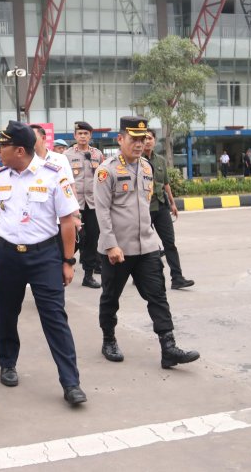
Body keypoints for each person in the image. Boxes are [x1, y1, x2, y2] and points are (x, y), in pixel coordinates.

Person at [0, 121, 86, 406]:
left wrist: (68, 260)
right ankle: (7, 363)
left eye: (2, 146)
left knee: (55, 318)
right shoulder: (1, 176)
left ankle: (71, 382)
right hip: (7, 254)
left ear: (19, 150)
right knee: (7, 313)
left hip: (44, 256)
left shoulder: (53, 175)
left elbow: (67, 221)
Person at [94, 117, 200, 369]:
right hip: (118, 250)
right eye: (134, 139)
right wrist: (110, 245)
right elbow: (102, 211)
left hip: (147, 247)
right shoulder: (106, 170)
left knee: (158, 296)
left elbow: (147, 203)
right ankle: (108, 339)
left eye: (143, 139)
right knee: (111, 297)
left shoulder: (147, 167)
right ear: (120, 139)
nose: (140, 144)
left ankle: (168, 347)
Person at [144, 130, 195, 290]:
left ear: (154, 141)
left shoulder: (160, 160)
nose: (147, 141)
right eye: (144, 138)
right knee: (144, 245)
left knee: (170, 243)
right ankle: (139, 275)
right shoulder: (136, 161)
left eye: (150, 138)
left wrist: (173, 204)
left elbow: (166, 184)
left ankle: (177, 278)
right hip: (144, 209)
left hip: (161, 206)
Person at [65, 121, 104, 288]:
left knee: (92, 238)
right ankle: (63, 265)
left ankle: (88, 275)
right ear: (75, 136)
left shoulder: (97, 155)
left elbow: (103, 177)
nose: (82, 136)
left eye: (85, 134)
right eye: (79, 133)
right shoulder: (66, 155)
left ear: (90, 136)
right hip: (75, 204)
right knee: (76, 239)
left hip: (93, 204)